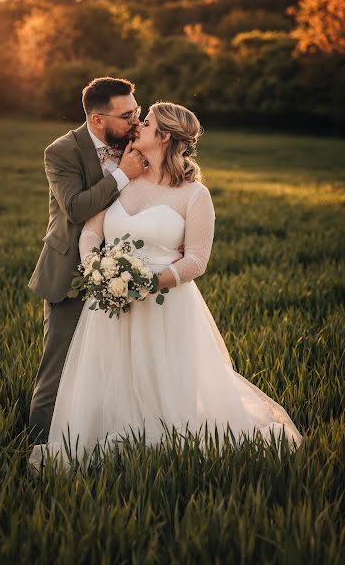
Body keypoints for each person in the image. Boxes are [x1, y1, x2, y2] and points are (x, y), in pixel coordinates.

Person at [29, 101, 303, 469]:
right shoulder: (121, 179)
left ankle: (166, 451)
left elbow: (196, 261)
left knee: (161, 383)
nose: (137, 124)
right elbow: (91, 232)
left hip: (165, 304)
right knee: (110, 379)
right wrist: (99, 272)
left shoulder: (193, 194)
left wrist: (144, 284)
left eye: (147, 121)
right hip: (109, 303)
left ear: (165, 136)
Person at [28, 77, 144, 445]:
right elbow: (76, 208)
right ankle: (39, 447)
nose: (136, 122)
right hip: (70, 274)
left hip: (127, 274)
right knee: (59, 366)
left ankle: (105, 440)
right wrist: (124, 174)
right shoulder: (61, 152)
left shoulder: (135, 142)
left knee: (118, 366)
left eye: (137, 111)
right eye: (127, 116)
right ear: (97, 120)